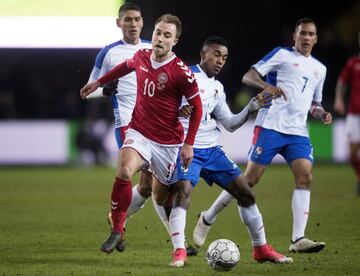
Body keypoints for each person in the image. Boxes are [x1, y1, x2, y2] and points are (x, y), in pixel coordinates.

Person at [193, 18, 333, 254]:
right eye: (302, 34)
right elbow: (248, 77)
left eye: (311, 34)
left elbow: (314, 105)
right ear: (295, 36)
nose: (306, 38)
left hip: (297, 131)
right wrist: (265, 87)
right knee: (247, 182)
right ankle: (208, 217)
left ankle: (298, 238)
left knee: (305, 177)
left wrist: (322, 113)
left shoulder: (320, 69)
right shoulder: (281, 55)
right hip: (270, 125)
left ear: (316, 38)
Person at [80, 13, 203, 266]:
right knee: (124, 171)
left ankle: (177, 245)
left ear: (175, 41)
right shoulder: (142, 56)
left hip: (167, 144)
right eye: (158, 32)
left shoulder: (180, 72)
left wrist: (188, 143)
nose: (159, 38)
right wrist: (99, 83)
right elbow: (125, 67)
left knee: (156, 195)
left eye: (166, 35)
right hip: (139, 132)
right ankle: (118, 225)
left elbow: (197, 107)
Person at [169, 35, 293, 267]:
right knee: (182, 194)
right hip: (187, 148)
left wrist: (252, 106)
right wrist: (178, 112)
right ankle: (179, 252)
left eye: (224, 57)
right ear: (203, 54)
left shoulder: (217, 88)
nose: (220, 61)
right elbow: (166, 107)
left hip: (212, 150)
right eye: (216, 54)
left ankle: (261, 249)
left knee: (246, 194)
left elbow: (230, 124)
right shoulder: (186, 76)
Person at [333, 30, 360, 196]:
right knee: (352, 153)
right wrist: (338, 99)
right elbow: (342, 81)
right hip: (354, 114)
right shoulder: (353, 63)